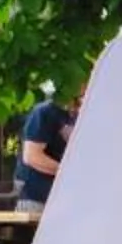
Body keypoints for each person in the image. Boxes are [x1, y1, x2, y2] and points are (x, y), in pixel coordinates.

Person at [16, 79, 81, 208]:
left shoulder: (79, 117)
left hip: (64, 202)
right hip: (36, 200)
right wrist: (72, 171)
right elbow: (32, 157)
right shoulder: (44, 112)